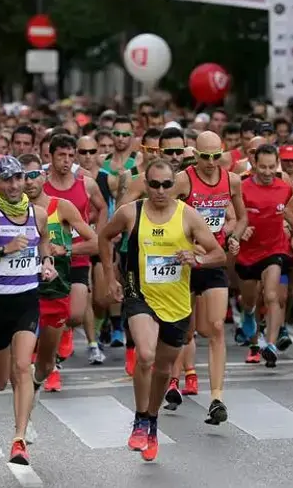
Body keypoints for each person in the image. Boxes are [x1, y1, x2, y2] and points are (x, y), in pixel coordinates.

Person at [99, 159, 225, 462]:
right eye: (154, 184)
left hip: (177, 302)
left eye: (166, 184)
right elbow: (104, 237)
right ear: (145, 183)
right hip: (139, 294)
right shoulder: (131, 213)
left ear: (175, 186)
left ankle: (152, 419)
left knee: (164, 370)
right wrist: (109, 277)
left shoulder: (189, 217)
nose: (160, 190)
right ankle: (140, 417)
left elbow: (218, 254)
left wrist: (198, 260)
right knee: (145, 354)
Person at [0, 156, 57, 464]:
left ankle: (18, 439)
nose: (15, 185)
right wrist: (3, 250)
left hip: (26, 300)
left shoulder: (39, 214)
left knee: (22, 368)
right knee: (0, 382)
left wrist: (46, 262)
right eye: (7, 180)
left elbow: (44, 242)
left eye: (18, 178)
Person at [170, 131, 248, 426]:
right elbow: (161, 212)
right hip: (184, 261)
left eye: (216, 156)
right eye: (205, 157)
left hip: (214, 259)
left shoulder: (232, 181)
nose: (211, 162)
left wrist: (233, 237)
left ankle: (216, 398)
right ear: (195, 155)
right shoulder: (183, 180)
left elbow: (241, 218)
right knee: (184, 329)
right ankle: (172, 381)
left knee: (215, 327)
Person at [19, 153, 96, 393]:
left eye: (33, 175)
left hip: (56, 288)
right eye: (23, 177)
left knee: (49, 355)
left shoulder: (60, 207)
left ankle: (48, 366)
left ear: (43, 176)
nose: (29, 182)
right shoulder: (11, 211)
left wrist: (66, 249)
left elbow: (95, 242)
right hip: (23, 289)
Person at [43, 134, 107, 367]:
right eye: (61, 155)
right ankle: (51, 362)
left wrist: (98, 235)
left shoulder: (86, 183)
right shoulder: (41, 184)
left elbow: (102, 207)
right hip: (50, 259)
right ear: (50, 157)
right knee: (53, 312)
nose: (67, 160)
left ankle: (66, 334)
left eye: (71, 156)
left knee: (75, 315)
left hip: (77, 255)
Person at [235, 144, 293, 367]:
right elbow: (230, 215)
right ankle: (251, 326)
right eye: (263, 167)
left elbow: (292, 214)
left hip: (275, 249)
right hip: (247, 253)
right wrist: (240, 230)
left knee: (272, 296)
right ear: (253, 165)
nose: (268, 172)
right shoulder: (242, 188)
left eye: (272, 167)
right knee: (250, 301)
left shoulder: (284, 187)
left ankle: (270, 345)